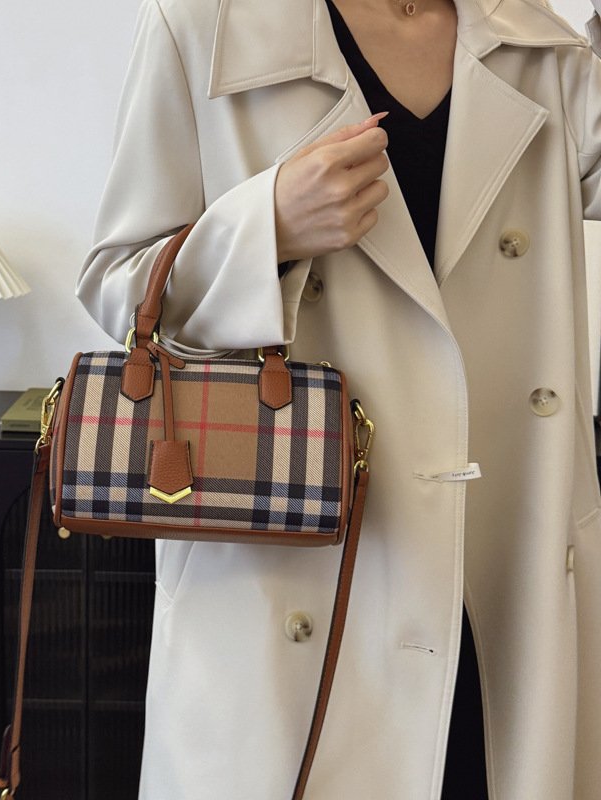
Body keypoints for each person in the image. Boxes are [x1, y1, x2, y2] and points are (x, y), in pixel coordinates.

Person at [76, 0, 601, 796]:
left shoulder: (536, 42)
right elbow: (119, 284)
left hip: (502, 577)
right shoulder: (203, 26)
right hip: (295, 580)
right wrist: (264, 228)